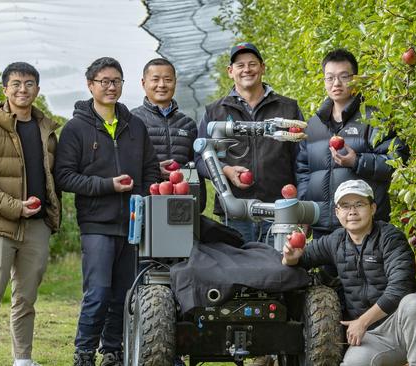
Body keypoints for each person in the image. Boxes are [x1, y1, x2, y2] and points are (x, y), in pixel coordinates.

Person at [54, 57, 160, 366]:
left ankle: (112, 351)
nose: (111, 86)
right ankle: (84, 352)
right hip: (96, 223)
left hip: (131, 224)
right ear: (90, 85)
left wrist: (140, 199)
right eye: (104, 81)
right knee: (98, 292)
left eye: (116, 81)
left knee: (122, 295)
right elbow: (64, 176)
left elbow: (150, 170)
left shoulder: (135, 126)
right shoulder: (75, 129)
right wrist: (107, 186)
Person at [0, 62, 61, 366]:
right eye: (16, 84)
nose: (23, 89)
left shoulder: (47, 130)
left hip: (36, 227)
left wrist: (47, 213)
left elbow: (52, 175)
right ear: (4, 89)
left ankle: (23, 359)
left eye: (29, 83)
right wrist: (14, 206)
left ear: (37, 90)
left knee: (26, 298)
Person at [282, 180, 416, 366]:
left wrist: (362, 321)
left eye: (359, 204)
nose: (352, 212)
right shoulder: (335, 241)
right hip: (370, 338)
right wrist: (290, 257)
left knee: (415, 303)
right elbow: (300, 258)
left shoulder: (391, 238)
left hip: (401, 327)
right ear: (337, 212)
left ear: (372, 208)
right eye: (345, 206)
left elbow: (400, 287)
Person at [296, 48, 410, 239]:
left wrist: (357, 161)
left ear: (355, 79)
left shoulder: (374, 118)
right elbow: (303, 173)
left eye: (344, 77)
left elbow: (397, 160)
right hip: (323, 229)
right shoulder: (313, 126)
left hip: (366, 228)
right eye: (330, 78)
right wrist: (304, 212)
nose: (336, 84)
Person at [196, 42, 304, 243]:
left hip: (279, 209)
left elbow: (302, 159)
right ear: (230, 71)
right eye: (240, 65)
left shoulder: (288, 108)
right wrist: (225, 170)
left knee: (278, 269)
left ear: (262, 67)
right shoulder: (215, 111)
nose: (247, 69)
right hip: (235, 211)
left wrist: (302, 205)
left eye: (252, 64)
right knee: (238, 270)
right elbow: (200, 159)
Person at [131, 58, 205, 212]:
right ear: (143, 83)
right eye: (155, 79)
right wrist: (153, 170)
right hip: (144, 204)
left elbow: (196, 166)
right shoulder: (131, 121)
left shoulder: (188, 125)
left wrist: (199, 203)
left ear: (175, 82)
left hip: (181, 206)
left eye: (168, 80)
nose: (162, 85)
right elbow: (123, 164)